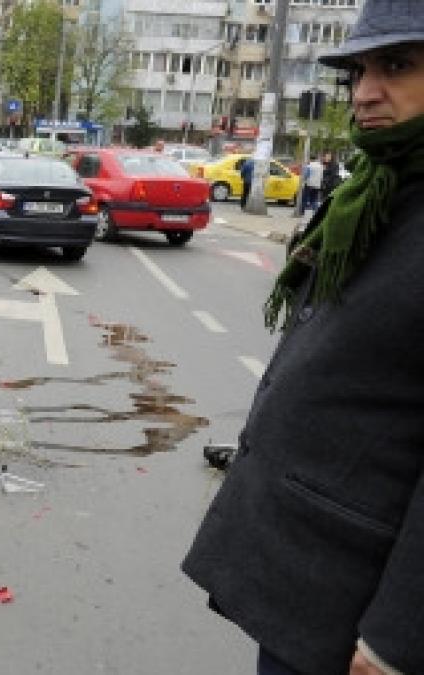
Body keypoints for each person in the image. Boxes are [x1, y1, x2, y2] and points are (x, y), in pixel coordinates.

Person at [183, 2, 424, 674]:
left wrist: (397, 639)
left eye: (398, 65)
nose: (366, 92)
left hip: (363, 608)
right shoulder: (378, 191)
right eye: (358, 72)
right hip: (312, 580)